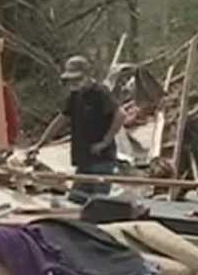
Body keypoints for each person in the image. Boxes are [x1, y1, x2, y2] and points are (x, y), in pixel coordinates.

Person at [28, 55, 133, 203]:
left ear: (87, 75)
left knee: (98, 204)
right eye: (71, 80)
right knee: (75, 201)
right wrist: (40, 144)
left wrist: (105, 141)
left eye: (77, 79)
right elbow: (61, 120)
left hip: (101, 161)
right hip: (84, 161)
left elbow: (120, 114)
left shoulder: (100, 93)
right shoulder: (75, 96)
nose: (74, 83)